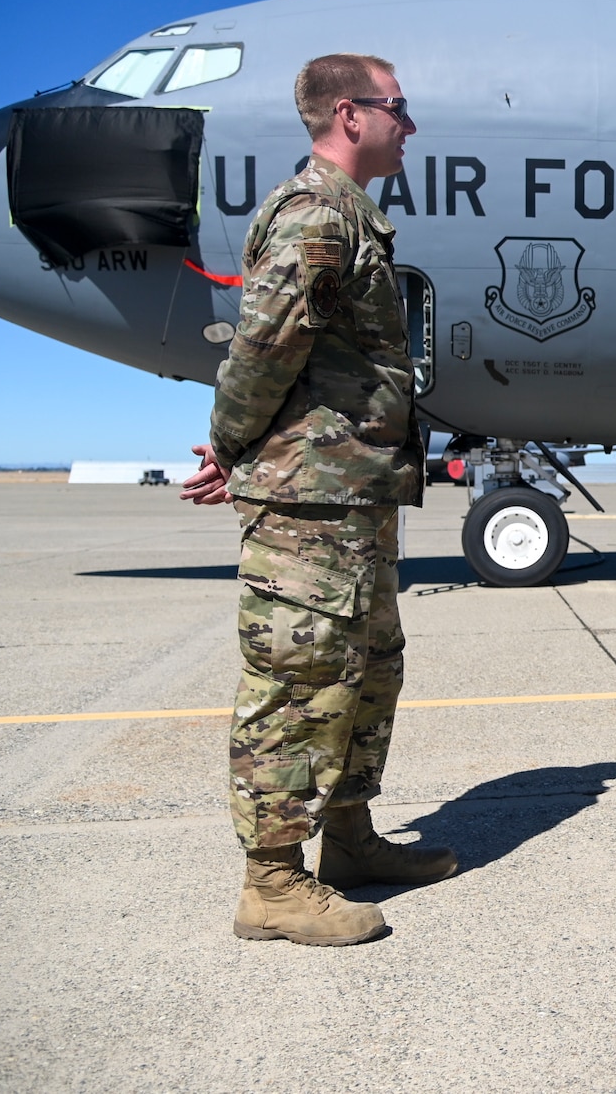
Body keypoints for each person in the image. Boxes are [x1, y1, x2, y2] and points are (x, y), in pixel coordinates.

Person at [181, 53, 454, 945]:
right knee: (298, 681)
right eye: (398, 109)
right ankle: (270, 883)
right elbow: (261, 349)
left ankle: (349, 836)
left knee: (368, 672)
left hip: (352, 497)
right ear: (350, 113)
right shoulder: (316, 219)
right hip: (309, 503)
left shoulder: (354, 219)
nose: (408, 126)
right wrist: (232, 446)